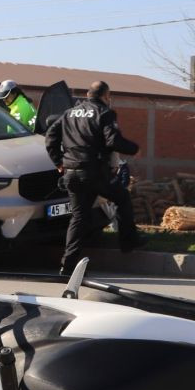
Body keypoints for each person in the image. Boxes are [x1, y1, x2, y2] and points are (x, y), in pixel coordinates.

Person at [46, 80, 145, 275]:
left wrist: (58, 161)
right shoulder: (104, 112)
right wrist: (134, 149)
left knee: (78, 218)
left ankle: (68, 265)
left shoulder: (69, 113)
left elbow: (50, 135)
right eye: (109, 97)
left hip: (71, 173)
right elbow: (113, 140)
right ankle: (128, 242)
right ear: (105, 96)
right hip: (93, 173)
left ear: (88, 93)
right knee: (122, 197)